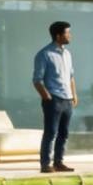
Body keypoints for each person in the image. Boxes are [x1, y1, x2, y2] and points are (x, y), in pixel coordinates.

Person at [32, 20, 77, 173]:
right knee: (51, 133)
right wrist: (47, 97)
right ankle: (45, 164)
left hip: (68, 100)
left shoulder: (68, 54)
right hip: (54, 100)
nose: (70, 35)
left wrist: (74, 95)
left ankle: (59, 162)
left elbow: (71, 76)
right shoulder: (44, 54)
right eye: (67, 33)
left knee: (64, 134)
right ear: (58, 36)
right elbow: (37, 80)